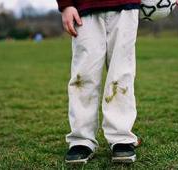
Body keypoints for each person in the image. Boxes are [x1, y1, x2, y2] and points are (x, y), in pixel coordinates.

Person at [57, 0, 141, 163]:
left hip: (125, 6)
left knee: (121, 74)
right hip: (84, 8)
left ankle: (121, 138)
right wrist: (66, 4)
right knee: (83, 77)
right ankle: (81, 139)